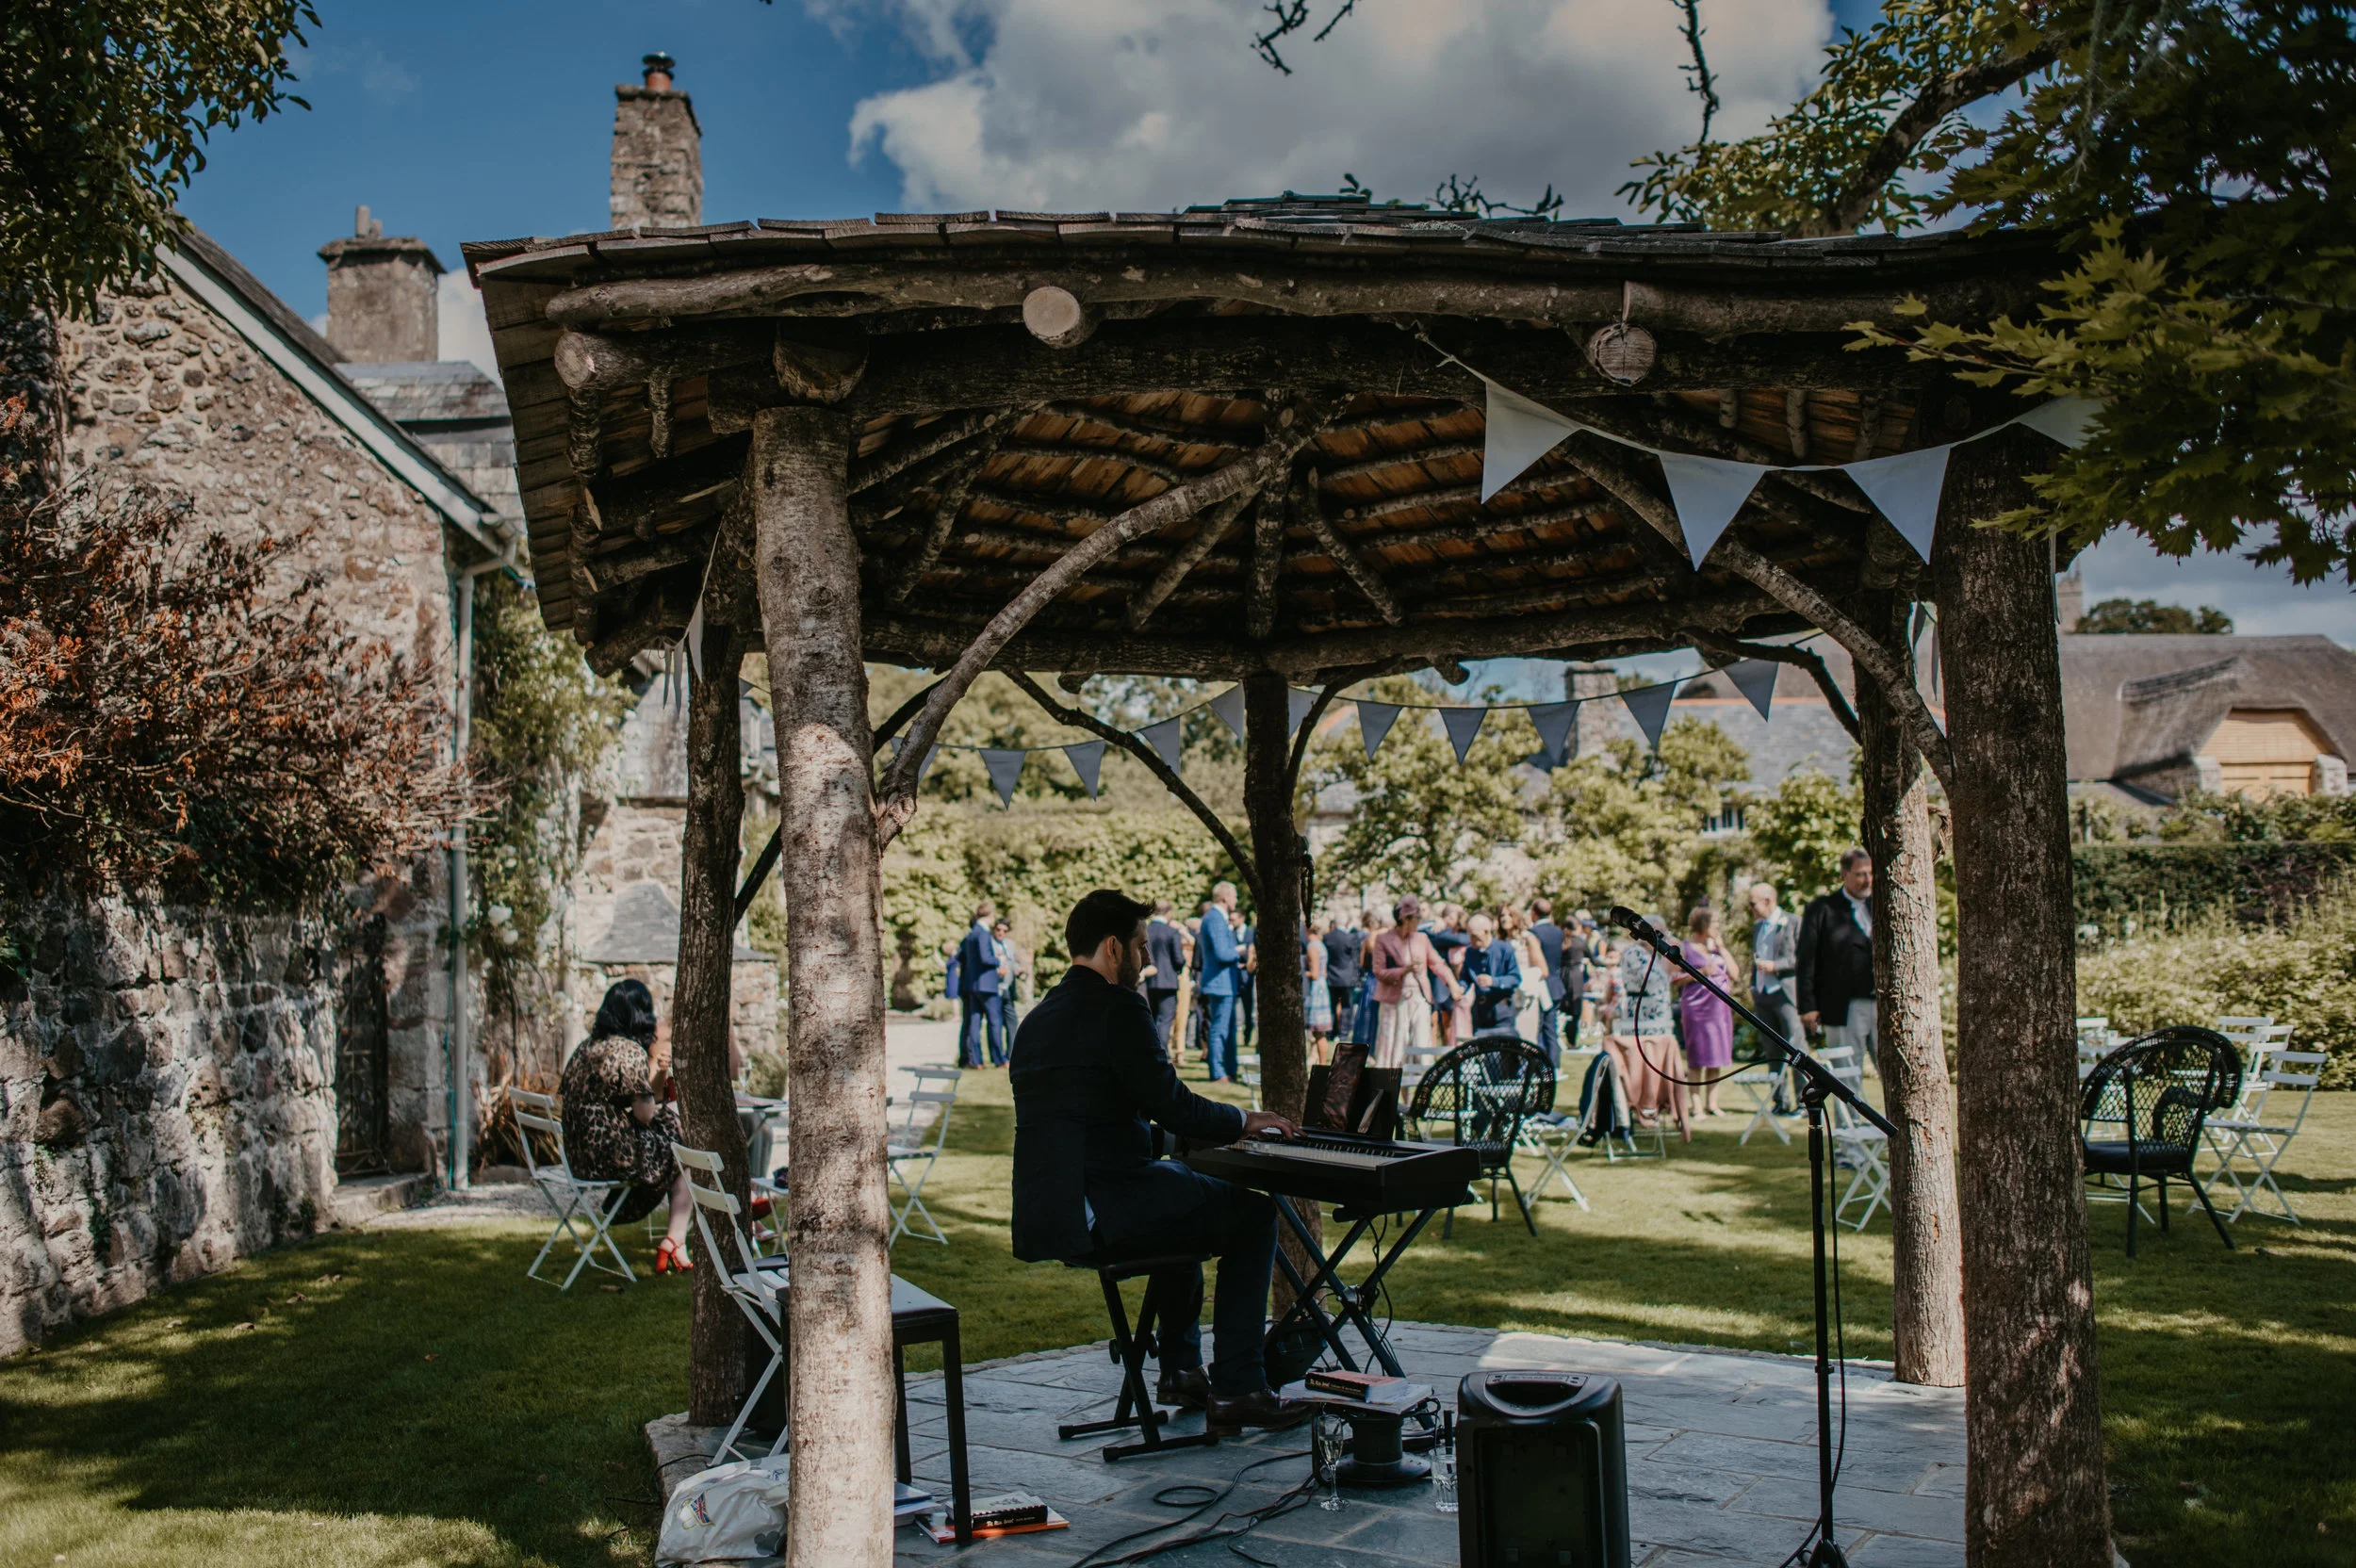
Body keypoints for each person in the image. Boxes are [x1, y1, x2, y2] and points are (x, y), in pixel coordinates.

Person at [1008, 889, 1312, 1433]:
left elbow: (1095, 1111)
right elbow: (1171, 1102)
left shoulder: (1038, 1018)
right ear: (1112, 947)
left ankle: (1180, 1369)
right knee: (1254, 1215)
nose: (1149, 958)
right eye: (1141, 945)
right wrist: (1245, 1119)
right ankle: (1241, 1385)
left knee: (1184, 1194)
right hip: (1103, 1208)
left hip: (1052, 1214)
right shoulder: (1118, 1008)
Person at [559, 980, 695, 1273]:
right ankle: (676, 1240)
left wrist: (658, 1074)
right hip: (613, 1158)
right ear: (641, 1015)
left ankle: (675, 1240)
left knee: (676, 1135)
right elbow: (645, 1114)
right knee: (685, 1149)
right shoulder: (629, 1051)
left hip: (580, 1158)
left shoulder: (587, 1049)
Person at [1604, 914, 1687, 1139]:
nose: (1660, 939)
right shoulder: (1633, 954)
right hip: (1639, 1020)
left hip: (1660, 1019)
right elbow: (1654, 979)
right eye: (1656, 934)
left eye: (1662, 934)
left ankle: (1665, 1104)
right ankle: (1644, 1105)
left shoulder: (1655, 954)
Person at [1797, 848, 1878, 1075]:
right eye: (1861, 874)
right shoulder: (1822, 909)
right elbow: (1806, 960)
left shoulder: (1882, 905)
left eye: (1870, 874)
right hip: (1843, 1005)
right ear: (1844, 874)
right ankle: (1847, 1114)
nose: (1868, 880)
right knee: (1846, 1074)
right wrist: (1808, 1006)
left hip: (1882, 1002)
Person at [1370, 896, 1461, 1070]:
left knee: (1421, 1043)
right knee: (1394, 1048)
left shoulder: (1422, 938)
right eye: (1417, 918)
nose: (1419, 921)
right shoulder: (1383, 940)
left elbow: (1437, 963)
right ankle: (1394, 1092)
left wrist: (1452, 984)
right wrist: (1404, 970)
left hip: (1419, 998)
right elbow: (1379, 972)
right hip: (1393, 1001)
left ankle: (1421, 1087)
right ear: (1405, 919)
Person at [1672, 906, 1739, 1117]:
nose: (1718, 927)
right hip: (1696, 1008)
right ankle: (1696, 1104)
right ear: (1703, 924)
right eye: (1715, 923)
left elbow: (1735, 974)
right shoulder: (1685, 948)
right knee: (1697, 1056)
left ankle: (1713, 1103)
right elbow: (1675, 980)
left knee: (1716, 1055)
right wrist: (1700, 972)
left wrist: (1722, 948)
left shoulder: (1716, 948)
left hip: (1719, 1008)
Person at [1747, 882, 1803, 1109]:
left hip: (1786, 994)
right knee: (1772, 1051)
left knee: (1797, 1048)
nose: (1751, 909)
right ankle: (1780, 1101)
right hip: (1763, 995)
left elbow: (1802, 959)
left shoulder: (1793, 922)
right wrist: (1753, 986)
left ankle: (1802, 1101)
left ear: (1768, 901)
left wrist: (1775, 965)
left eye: (1753, 904)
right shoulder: (1758, 927)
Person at [1197, 882, 1245, 1082]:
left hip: (1226, 983)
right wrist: (1240, 951)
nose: (1236, 900)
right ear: (1225, 897)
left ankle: (1231, 1070)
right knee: (1219, 1028)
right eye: (1234, 896)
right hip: (1219, 983)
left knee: (1230, 1029)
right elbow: (1222, 954)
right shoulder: (1214, 918)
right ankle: (1218, 1073)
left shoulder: (1218, 918)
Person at [957, 899, 1011, 1068]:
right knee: (995, 1021)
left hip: (973, 985)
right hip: (987, 984)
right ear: (989, 915)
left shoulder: (971, 934)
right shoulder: (983, 934)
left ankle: (976, 1060)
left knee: (975, 1022)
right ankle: (999, 1059)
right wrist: (999, 960)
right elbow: (985, 957)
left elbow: (962, 957)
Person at [1461, 911, 1522, 1035]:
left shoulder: (1505, 949)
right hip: (1481, 1012)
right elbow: (1465, 977)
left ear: (1487, 932)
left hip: (1502, 1011)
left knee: (1505, 1049)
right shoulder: (1470, 952)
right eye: (1470, 936)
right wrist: (1460, 988)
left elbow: (1515, 978)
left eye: (1475, 936)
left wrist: (1494, 981)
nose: (1472, 940)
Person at [1143, 900, 1188, 1054]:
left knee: (1152, 1018)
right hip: (1168, 981)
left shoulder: (1145, 930)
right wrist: (1179, 967)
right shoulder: (1171, 932)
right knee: (1165, 1019)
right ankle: (1161, 1052)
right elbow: (1178, 959)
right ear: (1168, 913)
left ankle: (1150, 1050)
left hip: (1148, 981)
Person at [1320, 910, 1363, 1040]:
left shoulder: (1327, 937)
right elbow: (1355, 960)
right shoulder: (1350, 938)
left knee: (1331, 1006)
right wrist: (1357, 977)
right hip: (1347, 978)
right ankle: (1344, 1033)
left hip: (1332, 977)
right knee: (1346, 1007)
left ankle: (1330, 1033)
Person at [1302, 916, 1333, 1059]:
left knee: (1319, 1030)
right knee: (1319, 1031)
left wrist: (1302, 972)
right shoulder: (1321, 945)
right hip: (1323, 986)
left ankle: (1322, 1063)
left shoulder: (1312, 947)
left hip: (1316, 989)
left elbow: (1315, 974)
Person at [993, 918, 1030, 1036]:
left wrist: (1018, 969)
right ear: (994, 929)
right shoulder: (990, 944)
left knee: (1012, 1022)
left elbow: (1012, 962)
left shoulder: (1009, 944)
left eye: (1005, 931)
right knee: (996, 1023)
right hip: (995, 988)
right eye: (999, 930)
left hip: (1008, 988)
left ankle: (1010, 1053)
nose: (1001, 933)